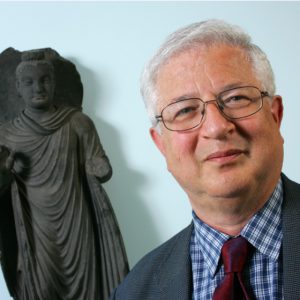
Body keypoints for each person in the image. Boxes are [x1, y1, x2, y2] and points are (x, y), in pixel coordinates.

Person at [110, 19, 300, 299]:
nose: (216, 127)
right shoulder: (134, 291)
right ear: (161, 144)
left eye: (236, 98)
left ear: (275, 115)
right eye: (185, 110)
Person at [0, 50, 129, 300]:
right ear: (17, 87)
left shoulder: (78, 122)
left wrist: (100, 167)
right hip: (33, 225)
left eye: (45, 80)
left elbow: (100, 165)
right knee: (41, 288)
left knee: (89, 288)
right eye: (29, 82)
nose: (38, 88)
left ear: (55, 82)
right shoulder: (6, 134)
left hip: (77, 219)